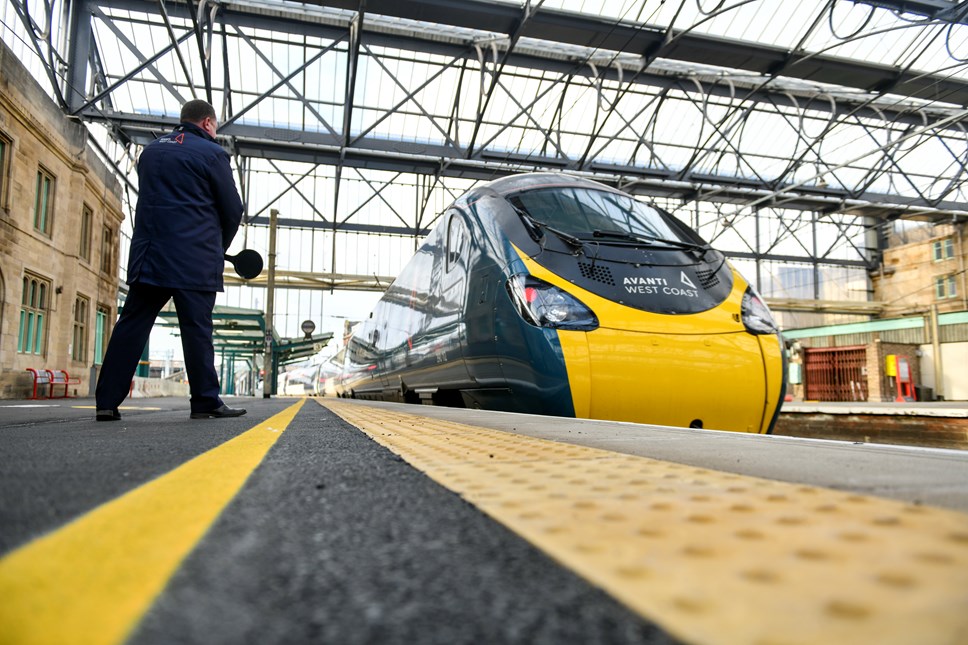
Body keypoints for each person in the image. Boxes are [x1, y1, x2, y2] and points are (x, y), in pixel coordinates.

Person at [95, 99, 246, 421]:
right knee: (196, 329)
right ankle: (205, 400)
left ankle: (106, 401)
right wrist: (218, 246)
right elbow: (233, 209)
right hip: (194, 257)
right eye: (215, 126)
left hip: (150, 254)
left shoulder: (151, 151)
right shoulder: (212, 153)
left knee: (132, 325)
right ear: (207, 123)